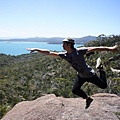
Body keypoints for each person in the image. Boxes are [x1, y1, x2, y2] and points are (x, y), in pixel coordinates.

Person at [26, 37, 118, 109]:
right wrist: (36, 49)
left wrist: (111, 49)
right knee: (75, 90)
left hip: (90, 74)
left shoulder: (79, 51)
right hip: (81, 76)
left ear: (69, 44)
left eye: (64, 43)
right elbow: (49, 52)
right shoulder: (64, 55)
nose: (62, 45)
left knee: (103, 86)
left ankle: (101, 70)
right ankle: (87, 98)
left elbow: (95, 48)